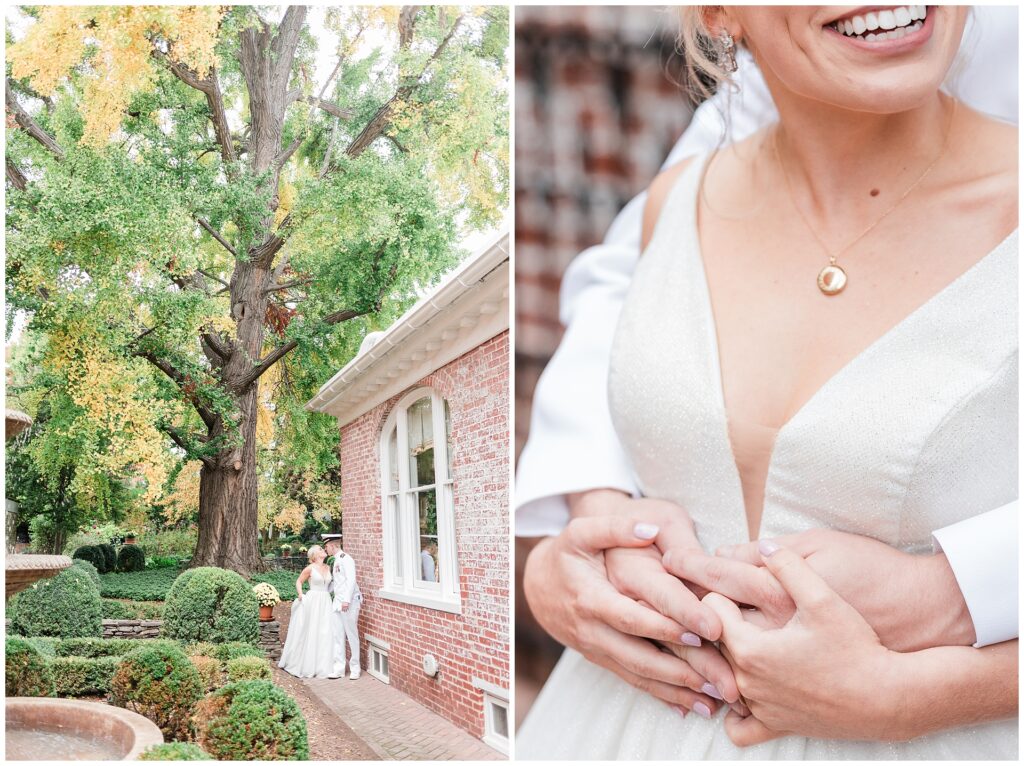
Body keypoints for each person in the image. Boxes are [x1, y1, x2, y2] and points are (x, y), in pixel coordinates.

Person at [516, 5, 1017, 759]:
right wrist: (582, 543)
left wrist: (925, 675)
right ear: (717, 13)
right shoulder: (677, 200)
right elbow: (615, 336)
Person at [277, 545, 336, 679]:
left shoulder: (328, 568)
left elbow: (330, 586)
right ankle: (307, 664)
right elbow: (299, 581)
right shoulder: (310, 568)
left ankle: (324, 665)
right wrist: (300, 594)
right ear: (314, 555)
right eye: (320, 549)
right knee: (312, 629)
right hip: (313, 600)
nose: (323, 550)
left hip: (326, 600)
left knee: (325, 630)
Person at [323, 534, 362, 680]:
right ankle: (339, 669)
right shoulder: (336, 560)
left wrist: (346, 600)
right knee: (338, 636)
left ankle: (355, 668)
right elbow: (337, 583)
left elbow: (351, 581)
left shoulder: (347, 559)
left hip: (349, 602)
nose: (325, 550)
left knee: (351, 635)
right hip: (337, 603)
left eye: (326, 547)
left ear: (332, 545)